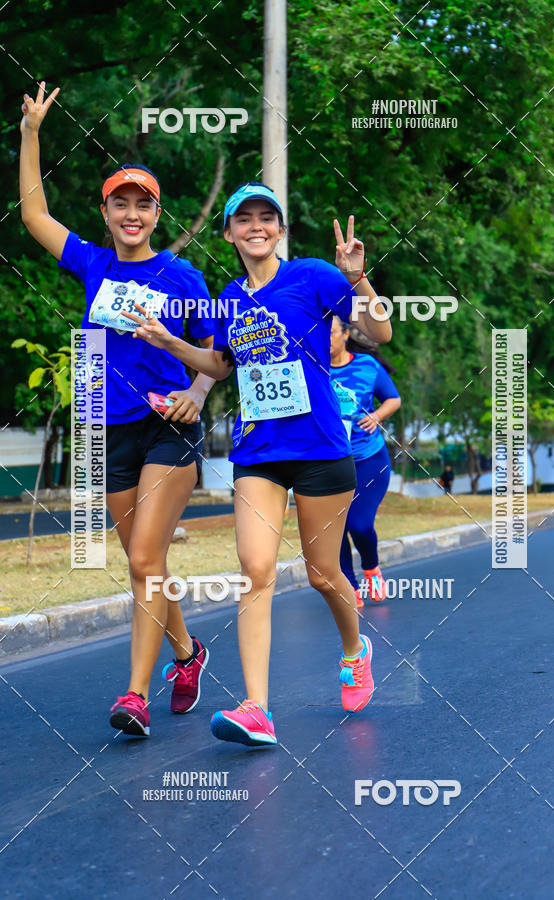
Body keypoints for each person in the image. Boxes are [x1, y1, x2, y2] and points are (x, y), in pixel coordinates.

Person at [125, 181, 392, 747]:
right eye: (243, 218)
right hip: (258, 454)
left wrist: (358, 278)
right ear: (229, 233)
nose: (256, 226)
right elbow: (220, 365)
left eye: (266, 217)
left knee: (323, 574)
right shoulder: (229, 297)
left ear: (280, 229)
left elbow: (380, 331)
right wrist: (171, 343)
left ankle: (355, 649)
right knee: (255, 570)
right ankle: (256, 709)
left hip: (321, 450)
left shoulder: (314, 275)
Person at [19, 82, 214, 738]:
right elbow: (33, 215)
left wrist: (197, 394)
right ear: (105, 213)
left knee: (142, 563)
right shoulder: (93, 264)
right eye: (120, 203)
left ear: (157, 214)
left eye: (143, 203)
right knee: (145, 561)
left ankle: (134, 695)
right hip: (109, 428)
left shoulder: (183, 277)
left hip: (168, 429)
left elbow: (217, 354)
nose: (132, 213)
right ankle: (187, 654)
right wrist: (31, 134)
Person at [329, 317, 401, 606]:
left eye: (331, 332)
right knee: (334, 527)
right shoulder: (313, 368)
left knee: (359, 524)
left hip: (368, 458)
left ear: (346, 334)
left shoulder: (367, 366)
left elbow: (393, 398)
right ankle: (349, 585)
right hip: (329, 462)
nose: (326, 338)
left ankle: (371, 568)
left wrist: (377, 416)